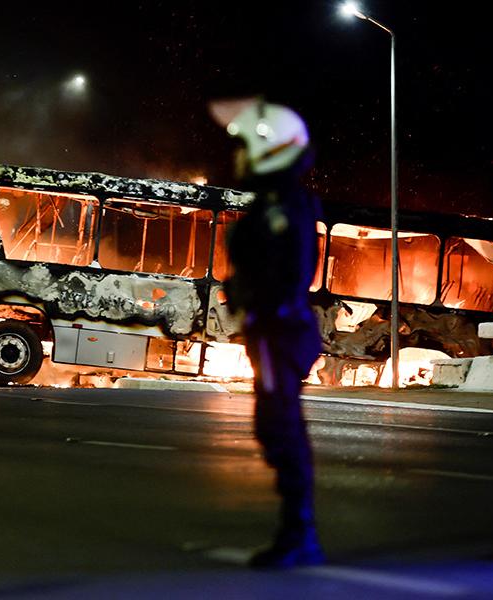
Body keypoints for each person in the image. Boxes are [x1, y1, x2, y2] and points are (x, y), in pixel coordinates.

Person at [210, 97, 325, 568]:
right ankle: (297, 531)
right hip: (272, 332)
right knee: (274, 425)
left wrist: (254, 298)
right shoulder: (275, 205)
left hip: (280, 332)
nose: (235, 156)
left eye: (242, 146)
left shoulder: (284, 209)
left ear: (269, 149)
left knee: (281, 427)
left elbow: (288, 274)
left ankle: (299, 535)